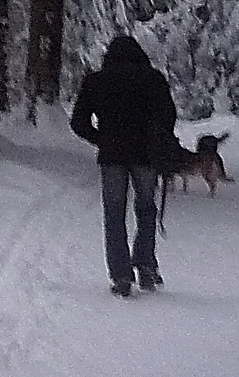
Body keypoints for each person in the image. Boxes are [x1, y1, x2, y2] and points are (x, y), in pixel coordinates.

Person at [70, 35, 177, 296]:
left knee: (114, 215)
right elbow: (169, 116)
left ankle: (120, 276)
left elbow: (78, 122)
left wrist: (102, 139)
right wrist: (158, 138)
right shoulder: (154, 79)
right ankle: (146, 266)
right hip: (146, 155)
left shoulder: (96, 81)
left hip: (112, 156)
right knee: (146, 209)